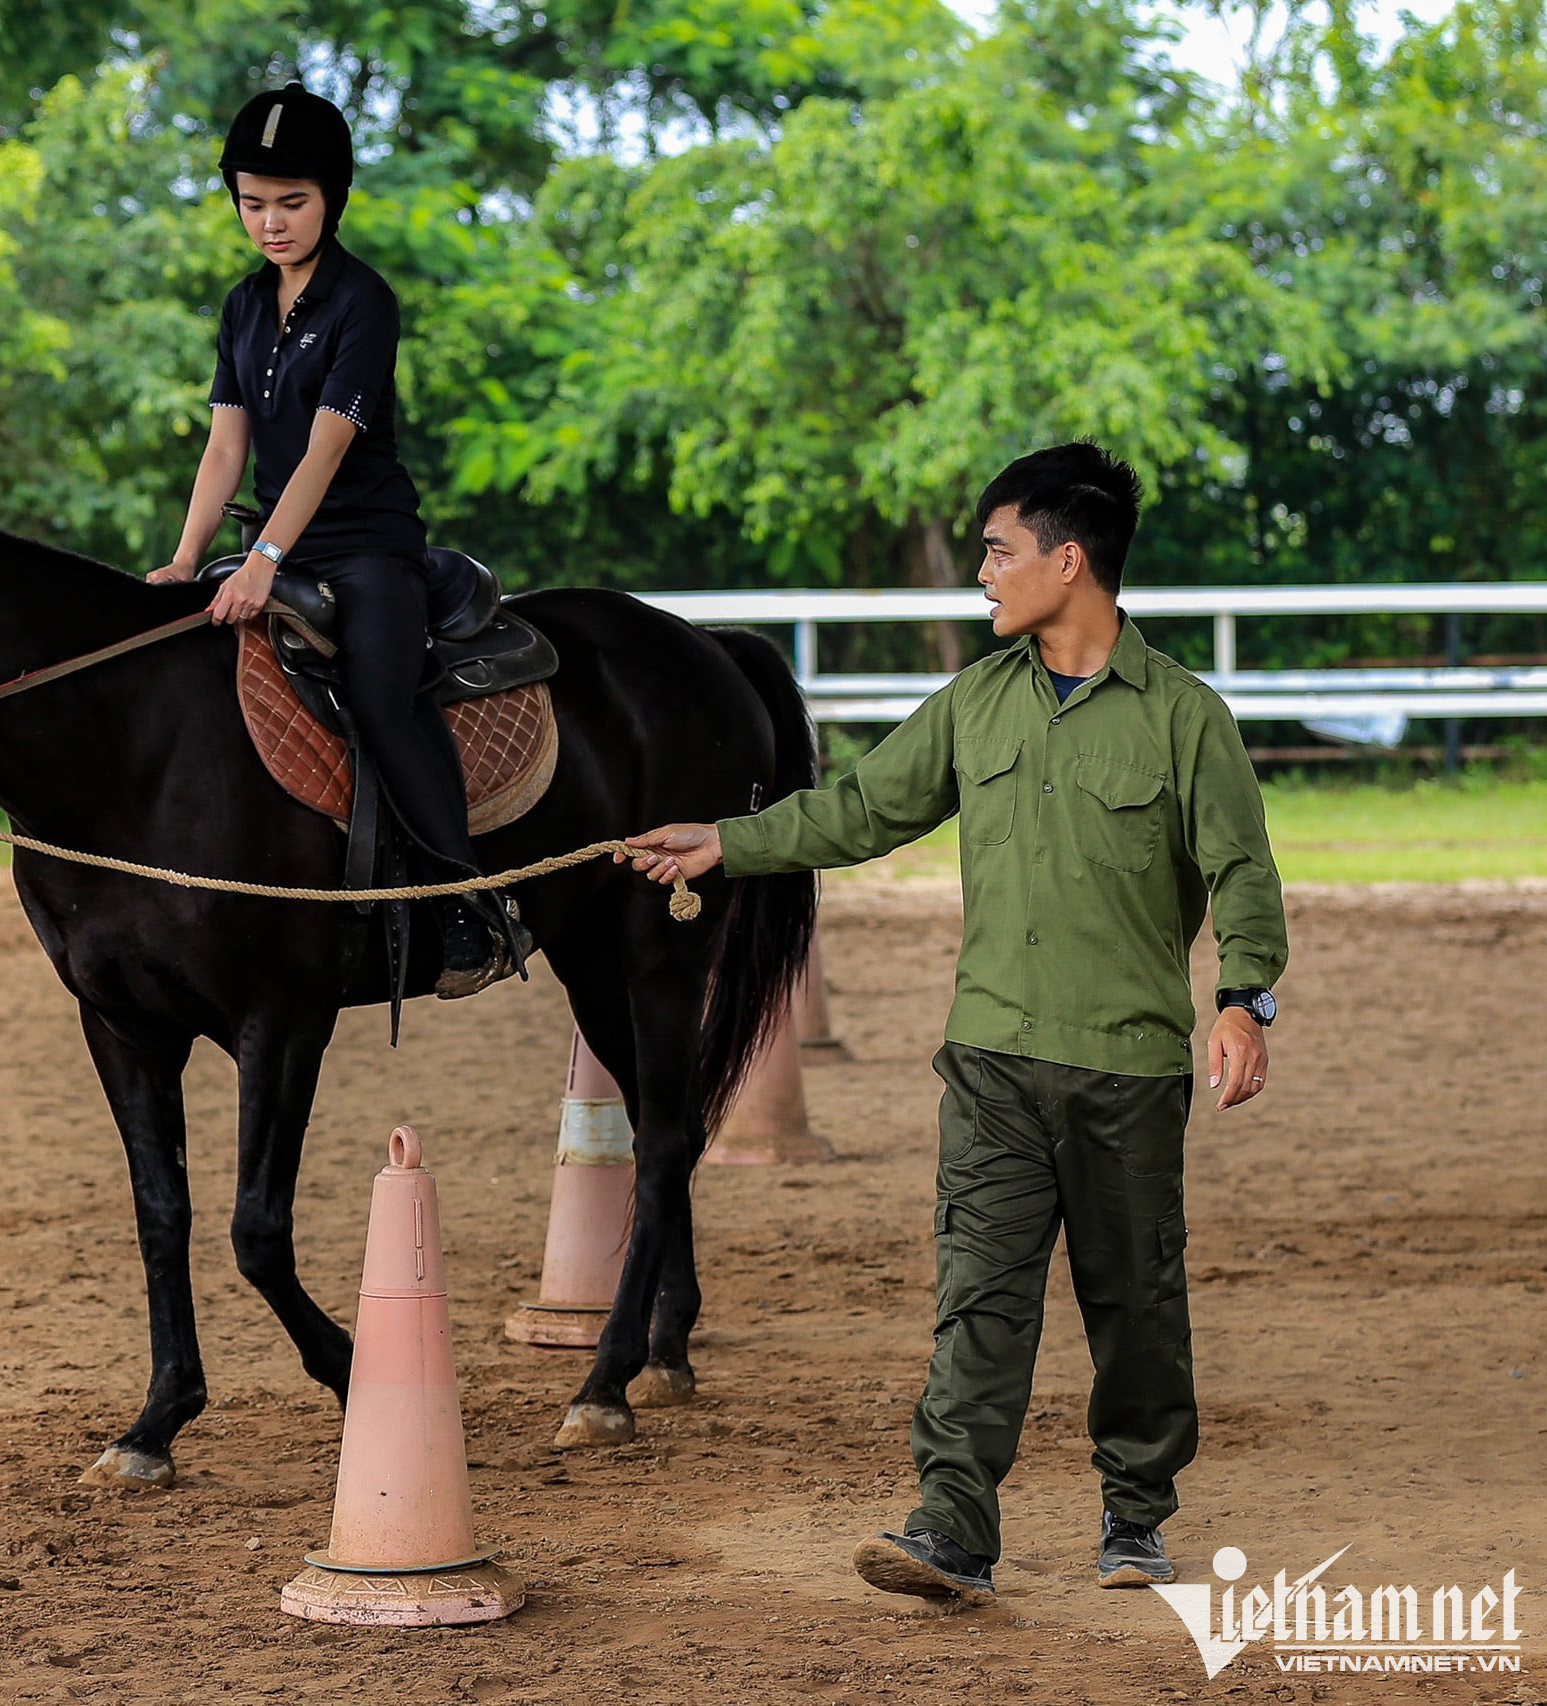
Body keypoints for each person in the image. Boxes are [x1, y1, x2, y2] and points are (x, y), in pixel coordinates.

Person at [623, 443, 1289, 1605]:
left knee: (1134, 1304)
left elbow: (1242, 873)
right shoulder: (974, 703)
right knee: (978, 1295)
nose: (981, 574)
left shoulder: (1186, 718)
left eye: (998, 550)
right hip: (990, 1059)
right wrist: (725, 841)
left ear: (1067, 561)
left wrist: (1242, 1001)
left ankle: (1135, 1505)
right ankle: (951, 1525)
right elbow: (864, 808)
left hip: (1127, 1068)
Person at [147, 81, 527, 998]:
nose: (270, 223)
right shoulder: (243, 307)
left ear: (333, 200)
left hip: (365, 547)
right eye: (252, 203)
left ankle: (465, 903)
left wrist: (267, 560)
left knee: (382, 697)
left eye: (292, 202)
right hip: (274, 542)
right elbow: (225, 446)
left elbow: (324, 449)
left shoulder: (366, 301)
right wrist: (189, 559)